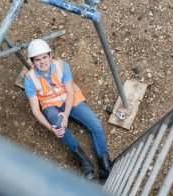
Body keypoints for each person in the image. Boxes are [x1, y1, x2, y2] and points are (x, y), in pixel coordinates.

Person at [24, 39, 112, 181]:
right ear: (32, 62)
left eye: (45, 57)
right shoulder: (30, 79)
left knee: (96, 125)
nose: (42, 62)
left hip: (70, 99)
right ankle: (84, 162)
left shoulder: (61, 66)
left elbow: (70, 93)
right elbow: (36, 110)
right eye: (37, 59)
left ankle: (104, 165)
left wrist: (65, 114)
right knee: (59, 127)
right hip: (51, 105)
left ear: (50, 55)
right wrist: (52, 129)